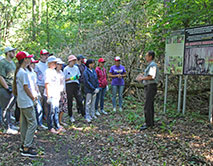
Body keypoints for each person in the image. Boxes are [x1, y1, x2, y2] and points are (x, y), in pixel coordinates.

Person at [13, 51, 37, 157]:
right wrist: (33, 97)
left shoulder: (19, 72)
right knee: (33, 123)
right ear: (25, 60)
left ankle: (24, 144)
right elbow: (26, 87)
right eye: (28, 58)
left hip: (21, 101)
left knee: (24, 124)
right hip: (26, 102)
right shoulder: (23, 72)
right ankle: (26, 147)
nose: (30, 60)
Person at [136, 51, 159, 130]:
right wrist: (142, 76)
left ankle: (148, 123)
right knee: (150, 105)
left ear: (150, 57)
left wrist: (142, 78)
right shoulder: (150, 65)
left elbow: (151, 76)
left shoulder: (152, 65)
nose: (145, 57)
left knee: (147, 105)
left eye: (146, 56)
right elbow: (148, 75)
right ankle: (151, 122)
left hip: (151, 87)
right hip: (149, 86)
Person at [0, 46, 18, 134]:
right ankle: (6, 127)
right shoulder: (3, 63)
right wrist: (7, 88)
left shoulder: (12, 63)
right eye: (12, 51)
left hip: (13, 88)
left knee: (10, 108)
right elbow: (0, 76)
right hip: (5, 89)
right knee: (5, 108)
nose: (14, 53)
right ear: (8, 52)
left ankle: (10, 124)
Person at [44, 56, 65, 134]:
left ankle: (57, 126)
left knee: (56, 111)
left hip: (56, 94)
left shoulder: (54, 71)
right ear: (49, 63)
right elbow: (47, 84)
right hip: (51, 95)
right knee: (51, 112)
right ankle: (50, 127)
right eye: (54, 62)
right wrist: (49, 96)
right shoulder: (48, 71)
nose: (55, 64)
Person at [26, 58, 48, 130]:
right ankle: (32, 126)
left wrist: (38, 92)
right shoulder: (25, 72)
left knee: (39, 109)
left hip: (35, 93)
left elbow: (35, 84)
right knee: (32, 111)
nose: (34, 65)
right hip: (29, 95)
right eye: (33, 63)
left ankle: (39, 124)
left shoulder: (33, 72)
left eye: (35, 63)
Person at [64, 55, 84, 123]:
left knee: (79, 99)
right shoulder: (66, 69)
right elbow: (64, 79)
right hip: (69, 85)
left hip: (76, 84)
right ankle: (70, 115)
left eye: (74, 61)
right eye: (72, 61)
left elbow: (79, 75)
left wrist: (76, 77)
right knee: (70, 101)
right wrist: (71, 78)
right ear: (69, 61)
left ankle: (83, 114)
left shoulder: (76, 67)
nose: (74, 62)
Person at [34, 49, 49, 120]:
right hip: (40, 85)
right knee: (40, 102)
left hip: (47, 85)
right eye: (44, 55)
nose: (46, 56)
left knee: (46, 102)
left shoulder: (48, 64)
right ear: (41, 56)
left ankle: (46, 116)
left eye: (47, 55)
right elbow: (35, 75)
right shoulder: (37, 65)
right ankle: (39, 117)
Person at [56, 58, 68, 126]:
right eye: (59, 64)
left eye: (61, 65)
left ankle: (60, 121)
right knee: (57, 108)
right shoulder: (54, 73)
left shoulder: (61, 72)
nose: (61, 66)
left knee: (63, 107)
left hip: (63, 91)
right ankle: (56, 122)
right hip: (57, 92)